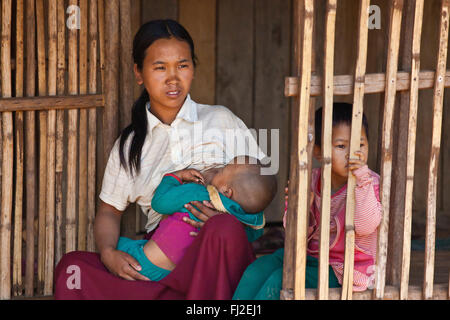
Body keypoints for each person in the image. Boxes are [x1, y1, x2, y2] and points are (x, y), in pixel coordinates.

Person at [54, 19, 266, 300]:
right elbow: (109, 212)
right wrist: (109, 254)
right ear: (138, 73)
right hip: (162, 262)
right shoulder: (129, 145)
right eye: (159, 67)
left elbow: (261, 185)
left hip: (219, 263)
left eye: (182, 65)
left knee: (223, 229)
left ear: (193, 67)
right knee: (73, 269)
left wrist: (229, 219)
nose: (173, 79)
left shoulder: (221, 119)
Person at [232, 103, 382, 300]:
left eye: (360, 145)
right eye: (341, 146)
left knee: (279, 280)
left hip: (344, 270)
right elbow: (293, 232)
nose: (352, 154)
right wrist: (302, 208)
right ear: (318, 152)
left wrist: (361, 176)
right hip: (310, 258)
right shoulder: (311, 180)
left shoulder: (369, 182)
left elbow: (365, 226)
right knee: (257, 270)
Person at [116, 156, 277, 281]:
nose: (217, 169)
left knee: (119, 245)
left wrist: (174, 177)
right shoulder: (246, 223)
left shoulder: (199, 194)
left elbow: (159, 203)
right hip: (183, 275)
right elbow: (249, 236)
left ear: (227, 192)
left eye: (223, 170)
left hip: (144, 265)